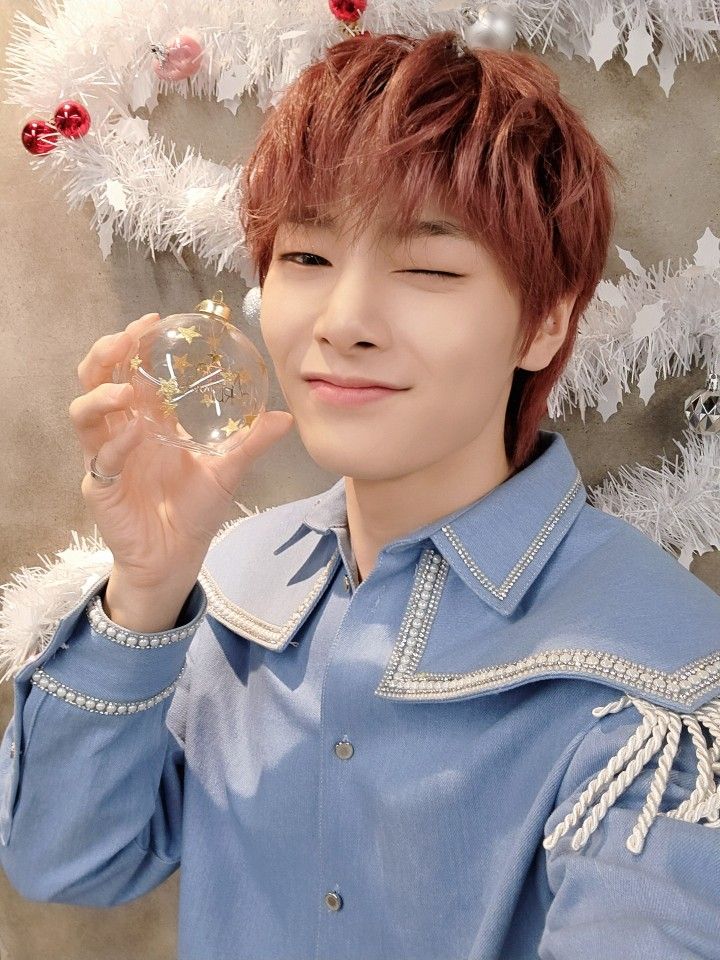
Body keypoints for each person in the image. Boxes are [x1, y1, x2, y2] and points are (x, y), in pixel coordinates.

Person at [1, 30, 719, 960]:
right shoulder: (231, 583)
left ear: (546, 323)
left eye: (428, 269)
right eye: (306, 258)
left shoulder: (662, 679)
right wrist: (145, 595)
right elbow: (67, 863)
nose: (344, 324)